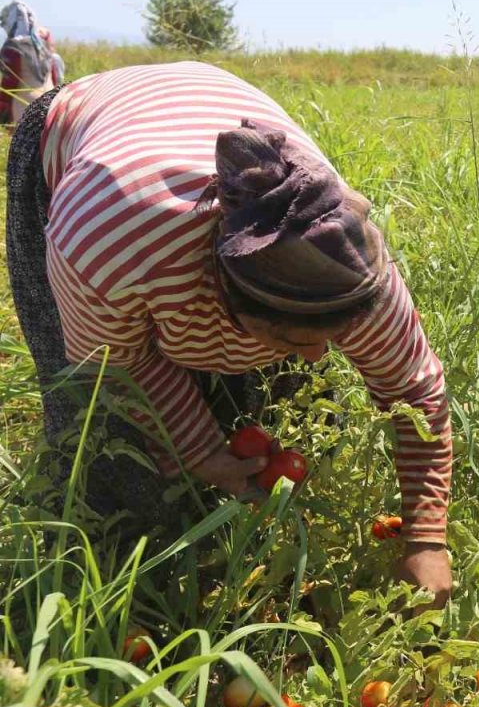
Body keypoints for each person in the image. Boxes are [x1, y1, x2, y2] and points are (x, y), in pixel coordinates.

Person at [4, 61, 453, 603]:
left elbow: (416, 391)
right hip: (81, 143)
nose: (315, 358)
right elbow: (116, 363)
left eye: (330, 336)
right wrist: (198, 450)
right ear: (221, 297)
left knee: (276, 405)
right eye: (292, 341)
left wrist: (426, 539)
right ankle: (127, 577)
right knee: (104, 435)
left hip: (199, 111)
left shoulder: (338, 252)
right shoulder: (104, 251)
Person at [1, 0, 64, 126]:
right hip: (51, 104)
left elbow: (10, 84)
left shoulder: (13, 48)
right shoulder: (43, 45)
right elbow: (56, 78)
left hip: (25, 107)